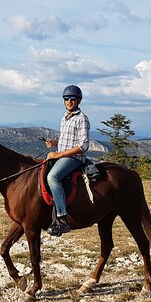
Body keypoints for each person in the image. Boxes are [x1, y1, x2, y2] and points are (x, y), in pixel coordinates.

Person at [44, 85, 90, 236]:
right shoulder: (64, 118)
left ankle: (62, 219)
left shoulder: (81, 119)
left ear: (78, 100)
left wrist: (59, 155)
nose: (69, 101)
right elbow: (67, 140)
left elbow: (83, 145)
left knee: (53, 177)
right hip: (63, 154)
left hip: (74, 158)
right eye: (66, 98)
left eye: (72, 98)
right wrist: (55, 143)